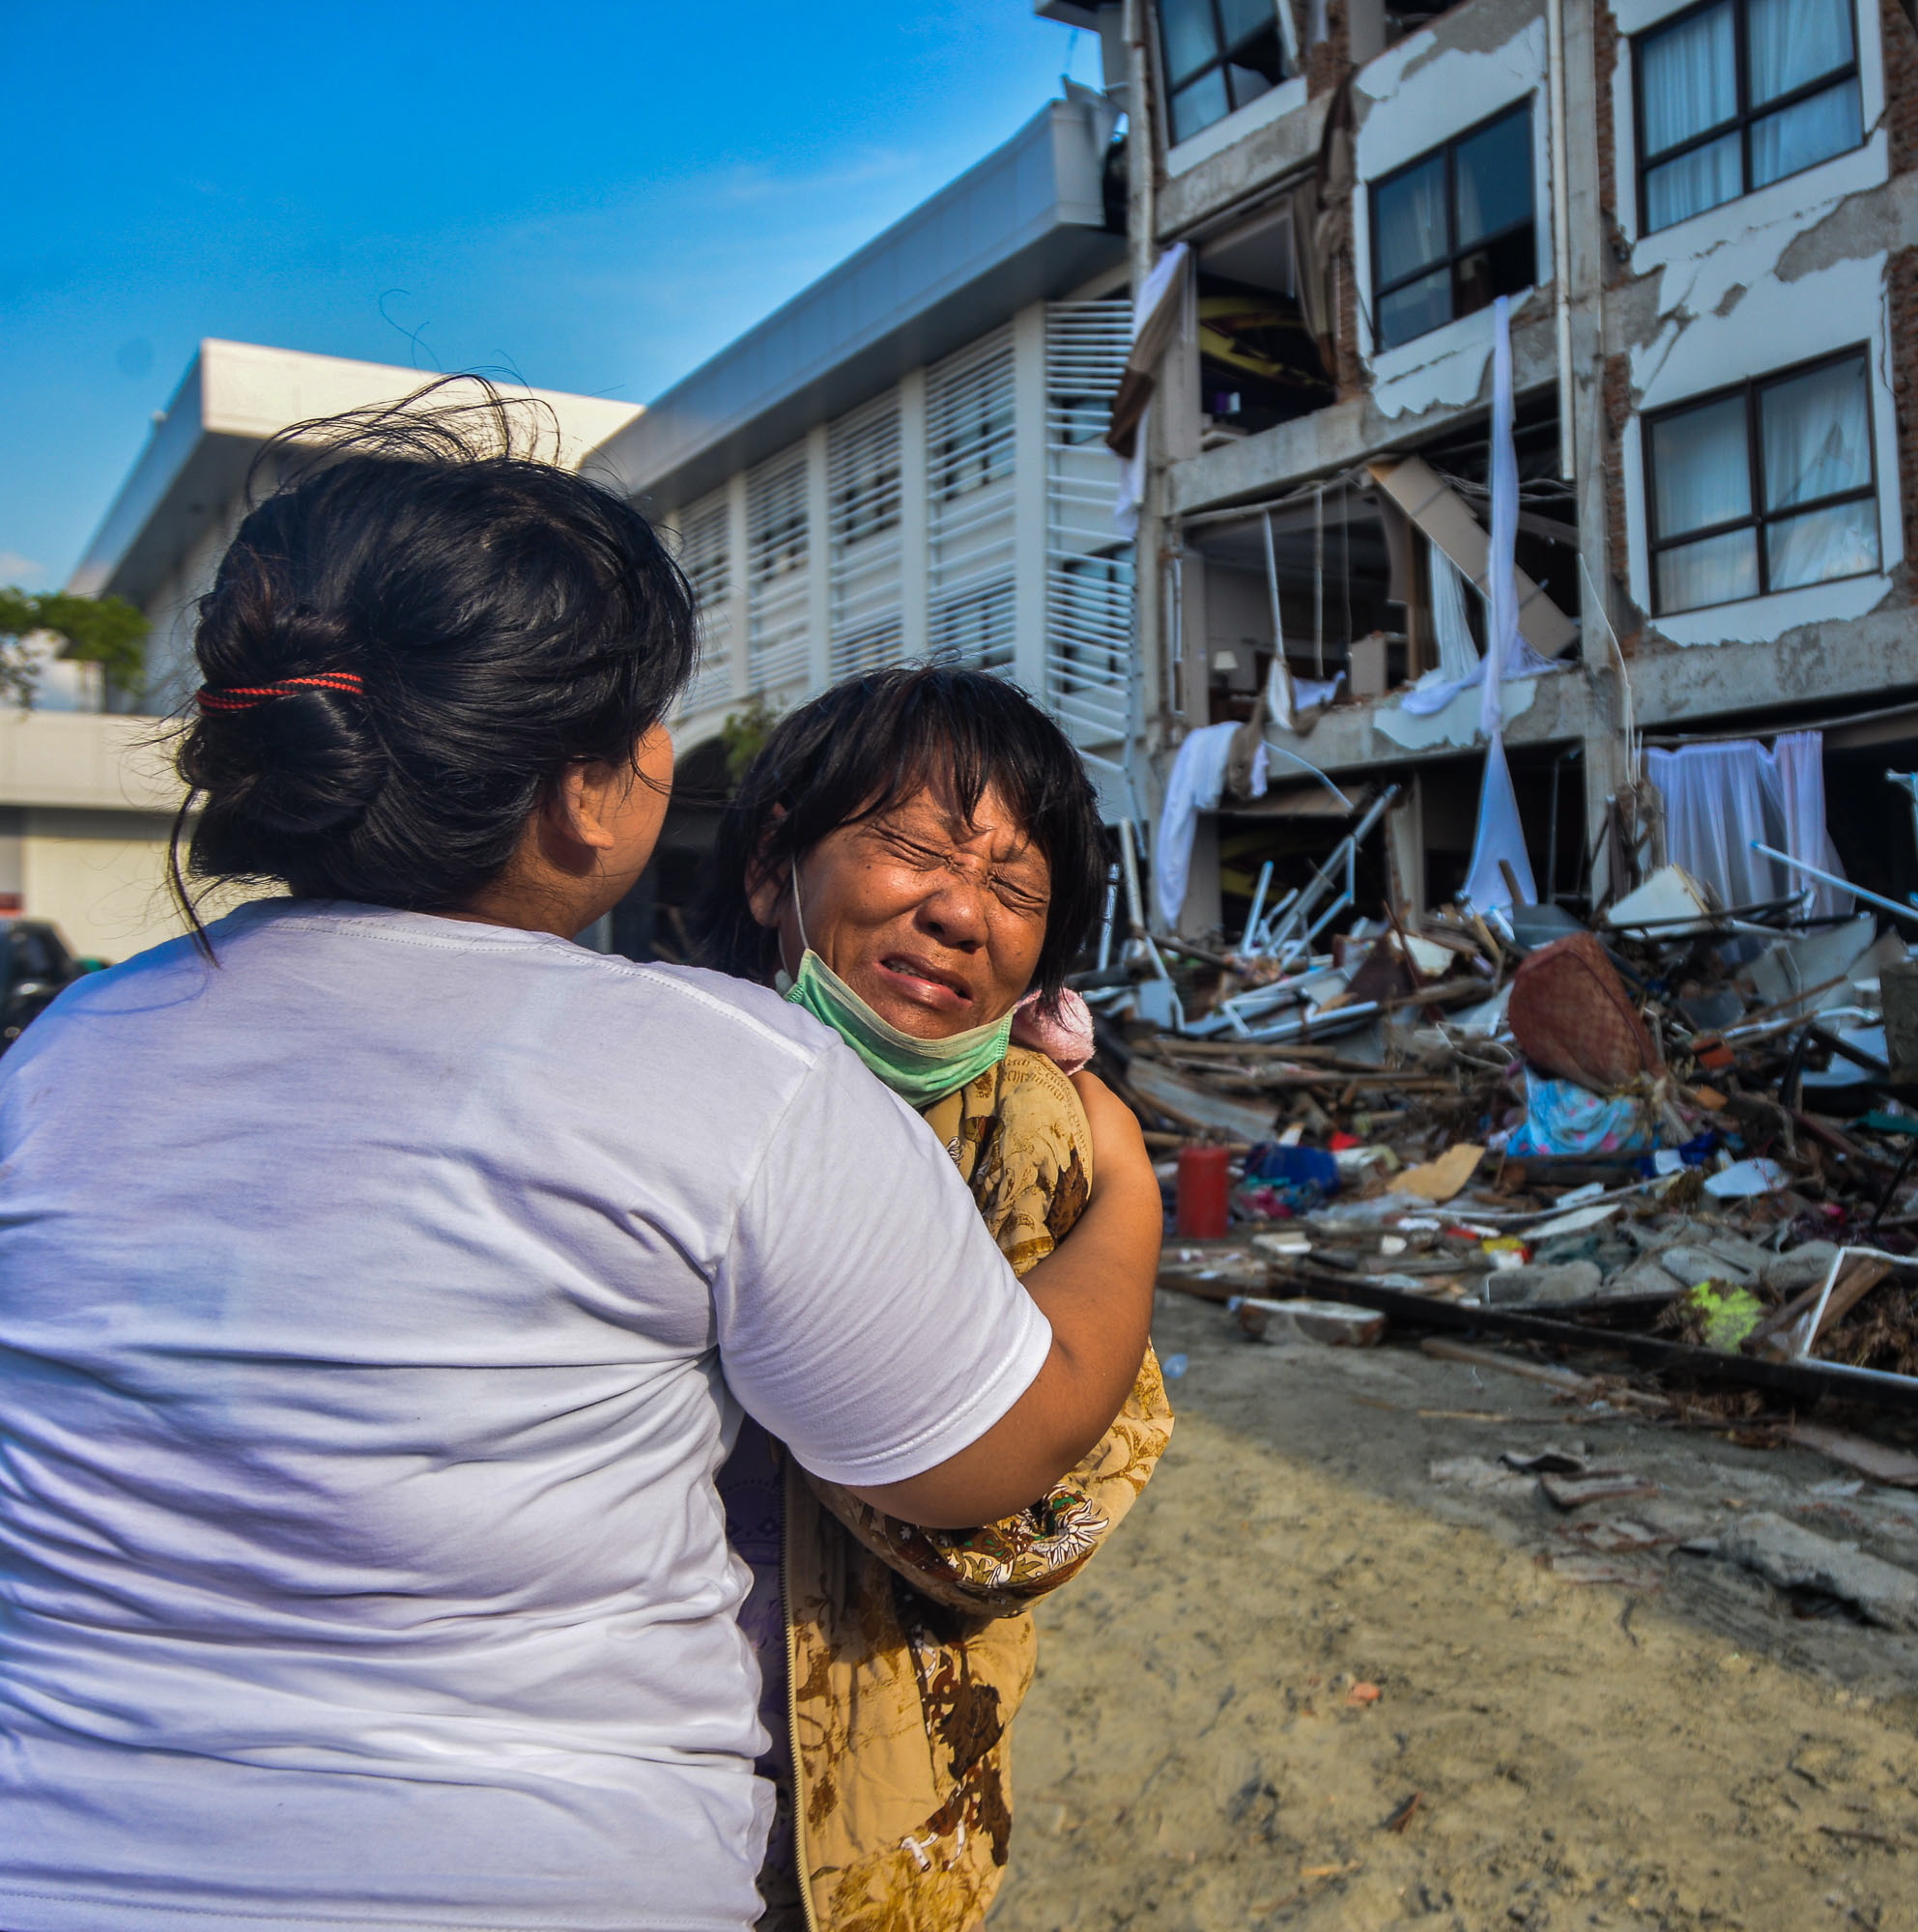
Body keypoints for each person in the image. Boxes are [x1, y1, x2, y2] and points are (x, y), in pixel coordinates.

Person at [0, 394, 1160, 1932]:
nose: (960, 912)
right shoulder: (721, 1072)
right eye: (646, 718)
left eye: (1012, 880)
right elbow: (992, 1459)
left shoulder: (63, 1054)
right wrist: (1135, 1189)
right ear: (579, 792)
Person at [690, 668, 1174, 1930]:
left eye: (1016, 889)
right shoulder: (655, 1080)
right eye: (910, 849)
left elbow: (1022, 1527)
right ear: (769, 870)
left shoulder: (1034, 1134)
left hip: (869, 1831)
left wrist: (1124, 1182)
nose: (961, 912)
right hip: (626, 1798)